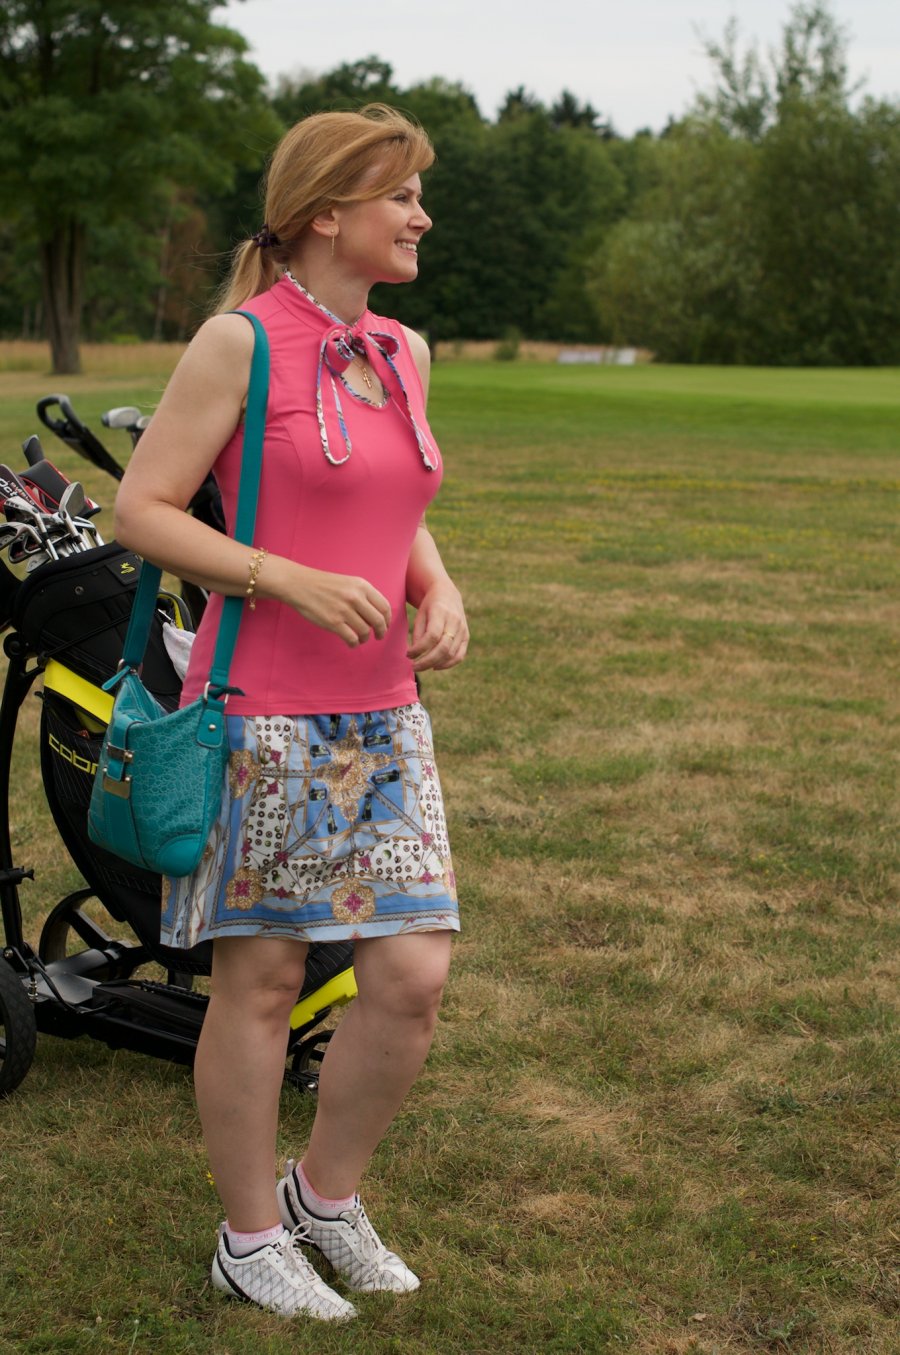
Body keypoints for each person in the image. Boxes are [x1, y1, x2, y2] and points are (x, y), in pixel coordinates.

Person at [114, 105, 467, 1323]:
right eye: (401, 195)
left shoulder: (403, 349)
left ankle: (323, 1198)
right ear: (326, 212)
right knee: (261, 982)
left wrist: (437, 585)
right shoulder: (241, 342)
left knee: (411, 973)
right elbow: (142, 509)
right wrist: (281, 576)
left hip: (384, 717)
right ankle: (250, 1236)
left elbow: (393, 501)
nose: (421, 216)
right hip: (261, 710)